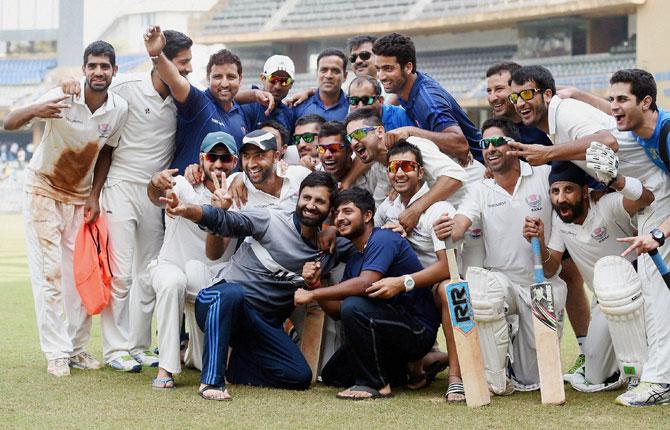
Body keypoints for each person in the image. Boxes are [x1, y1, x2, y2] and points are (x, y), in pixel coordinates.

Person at [508, 65, 670, 405]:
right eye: (515, 95)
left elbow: (607, 140)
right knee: (654, 300)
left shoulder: (562, 114)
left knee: (656, 299)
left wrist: (548, 153)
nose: (520, 101)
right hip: (642, 197)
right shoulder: (563, 115)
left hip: (656, 202)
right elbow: (612, 125)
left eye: (527, 93)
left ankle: (659, 381)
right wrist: (582, 95)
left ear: (546, 95)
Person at [163, 171, 352, 400]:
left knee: (299, 376)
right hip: (218, 303)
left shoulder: (328, 248)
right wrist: (187, 210)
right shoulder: (271, 220)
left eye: (319, 201)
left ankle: (236, 367)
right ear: (298, 198)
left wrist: (333, 228)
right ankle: (211, 382)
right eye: (306, 198)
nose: (310, 205)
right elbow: (224, 220)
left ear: (330, 210)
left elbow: (364, 240)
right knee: (233, 293)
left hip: (260, 325)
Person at [4, 41, 128, 376]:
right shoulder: (63, 95)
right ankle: (56, 352)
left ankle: (75, 349)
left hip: (78, 199)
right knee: (50, 275)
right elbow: (10, 122)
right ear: (84, 69)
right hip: (43, 191)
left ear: (114, 71)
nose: (98, 72)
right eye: (92, 66)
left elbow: (106, 152)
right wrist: (36, 111)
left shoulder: (117, 109)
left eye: (105, 66)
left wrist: (94, 195)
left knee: (79, 276)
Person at [433, 116, 567, 392]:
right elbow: (461, 224)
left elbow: (552, 269)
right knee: (481, 293)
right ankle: (495, 375)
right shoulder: (480, 189)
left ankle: (515, 346)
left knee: (532, 381)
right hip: (501, 283)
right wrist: (449, 228)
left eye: (497, 142)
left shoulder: (543, 175)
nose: (490, 149)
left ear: (514, 145)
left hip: (540, 284)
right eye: (485, 144)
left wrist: (539, 239)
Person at [485, 61, 590, 373]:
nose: (495, 95)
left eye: (501, 88)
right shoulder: (501, 127)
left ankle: (587, 351)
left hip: (569, 198)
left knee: (570, 274)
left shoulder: (544, 117)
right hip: (541, 205)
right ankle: (511, 356)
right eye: (489, 90)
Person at [294, 188, 440, 400]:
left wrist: (312, 296)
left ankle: (377, 385)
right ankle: (412, 370)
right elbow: (338, 311)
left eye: (347, 212)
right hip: (386, 335)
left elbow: (366, 284)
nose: (340, 218)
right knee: (334, 374)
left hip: (417, 331)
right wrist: (315, 286)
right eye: (336, 214)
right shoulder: (355, 260)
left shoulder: (383, 238)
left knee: (354, 304)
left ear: (367, 215)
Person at [524, 161, 653, 394]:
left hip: (641, 292)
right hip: (603, 301)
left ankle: (644, 372)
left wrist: (615, 183)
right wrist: (539, 243)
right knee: (595, 377)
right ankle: (617, 367)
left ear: (585, 191)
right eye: (555, 191)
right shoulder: (560, 221)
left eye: (568, 190)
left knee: (645, 364)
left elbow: (646, 198)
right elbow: (551, 268)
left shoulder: (606, 204)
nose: (561, 198)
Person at [371, 141, 464, 401]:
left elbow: (448, 267)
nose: (399, 172)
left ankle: (456, 378)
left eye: (407, 166)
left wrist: (404, 282)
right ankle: (419, 363)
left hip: (433, 287)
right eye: (393, 167)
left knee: (451, 290)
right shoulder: (388, 208)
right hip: (409, 292)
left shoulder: (439, 209)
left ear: (420, 172)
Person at [144, 131, 239, 388]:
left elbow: (215, 253)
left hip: (209, 276)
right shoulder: (185, 185)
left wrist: (221, 214)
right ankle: (166, 369)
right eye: (212, 157)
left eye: (225, 158)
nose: (218, 164)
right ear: (201, 158)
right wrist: (155, 181)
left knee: (199, 361)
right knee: (173, 281)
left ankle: (197, 358)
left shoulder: (237, 195)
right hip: (170, 266)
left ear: (235, 161)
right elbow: (156, 196)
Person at [143, 25, 256, 173]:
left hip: (223, 195)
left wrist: (256, 95)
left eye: (231, 77)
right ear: (208, 79)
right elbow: (175, 79)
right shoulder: (198, 103)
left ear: (240, 79)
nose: (224, 83)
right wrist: (157, 54)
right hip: (186, 193)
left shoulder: (241, 114)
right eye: (217, 77)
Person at [372, 32, 482, 164]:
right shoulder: (407, 83)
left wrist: (410, 131)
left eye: (388, 69)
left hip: (475, 167)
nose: (381, 76)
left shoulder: (428, 102)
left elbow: (461, 145)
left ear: (408, 67)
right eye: (378, 69)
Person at [292, 48, 349, 123]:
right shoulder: (298, 106)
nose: (328, 76)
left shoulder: (352, 107)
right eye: (324, 70)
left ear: (345, 76)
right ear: (316, 73)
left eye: (335, 71)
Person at [243, 55, 296, 132]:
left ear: (291, 84)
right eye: (273, 79)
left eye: (285, 81)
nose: (278, 87)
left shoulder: (289, 114)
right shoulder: (246, 106)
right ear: (263, 78)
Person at [347, 75, 413, 131]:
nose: (360, 106)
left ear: (381, 100)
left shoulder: (400, 118)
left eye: (366, 100)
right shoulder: (349, 124)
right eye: (354, 100)